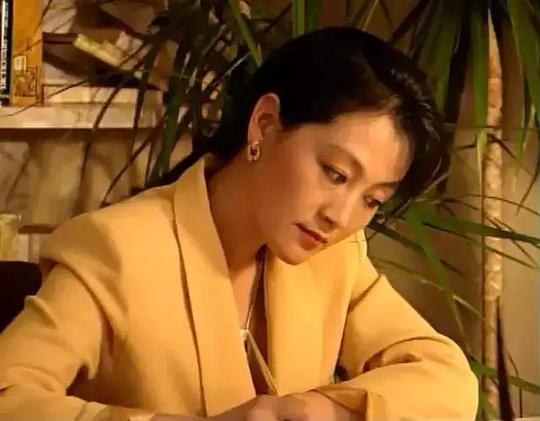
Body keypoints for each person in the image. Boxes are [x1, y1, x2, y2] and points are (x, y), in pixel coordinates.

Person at [0, 27, 477, 420]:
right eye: (335, 174)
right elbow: (10, 397)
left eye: (372, 200)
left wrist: (323, 409)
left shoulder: (337, 257)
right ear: (265, 123)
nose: (341, 217)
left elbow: (444, 375)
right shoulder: (117, 248)